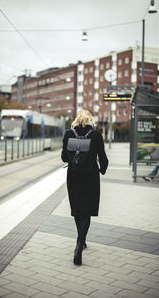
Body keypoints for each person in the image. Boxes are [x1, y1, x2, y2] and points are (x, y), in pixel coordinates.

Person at [61, 110, 108, 265]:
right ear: (90, 121)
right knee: (86, 210)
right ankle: (80, 244)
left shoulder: (69, 133)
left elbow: (63, 157)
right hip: (90, 176)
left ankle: (81, 240)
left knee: (77, 208)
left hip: (73, 176)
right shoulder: (95, 135)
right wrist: (102, 170)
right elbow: (103, 158)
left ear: (76, 120)